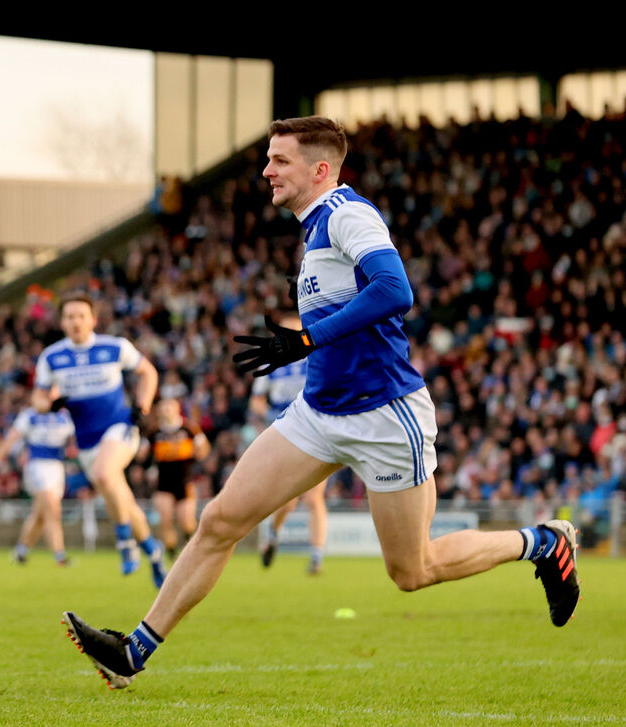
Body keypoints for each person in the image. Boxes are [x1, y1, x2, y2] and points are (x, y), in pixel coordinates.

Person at [61, 115, 581, 690]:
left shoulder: (347, 214)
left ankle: (542, 542)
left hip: (385, 414)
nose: (266, 170)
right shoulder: (313, 231)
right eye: (267, 158)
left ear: (320, 169)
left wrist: (306, 338)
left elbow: (395, 290)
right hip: (319, 413)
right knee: (219, 520)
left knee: (412, 570)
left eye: (279, 160)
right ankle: (132, 651)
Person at [32, 293, 167, 588]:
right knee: (125, 502)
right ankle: (153, 553)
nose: (76, 321)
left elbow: (148, 372)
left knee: (106, 474)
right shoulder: (52, 357)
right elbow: (38, 397)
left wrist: (143, 407)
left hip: (120, 427)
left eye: (81, 315)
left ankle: (124, 543)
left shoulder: (114, 347)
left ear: (93, 319)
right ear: (62, 322)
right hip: (86, 441)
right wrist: (49, 404)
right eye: (69, 316)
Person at [249, 314, 328, 575]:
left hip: (316, 431)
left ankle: (316, 557)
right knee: (288, 500)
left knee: (314, 497)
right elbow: (257, 401)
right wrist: (269, 415)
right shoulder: (273, 362)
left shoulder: (315, 356)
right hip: (286, 433)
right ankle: (273, 532)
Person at [0, 406, 76, 566]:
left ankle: (21, 551)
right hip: (37, 467)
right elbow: (11, 437)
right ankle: (60, 556)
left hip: (57, 468)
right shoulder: (29, 415)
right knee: (53, 510)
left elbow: (75, 438)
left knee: (40, 515)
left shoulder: (65, 415)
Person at [142, 398, 209, 562]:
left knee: (186, 521)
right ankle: (172, 554)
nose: (166, 410)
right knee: (165, 521)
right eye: (163, 407)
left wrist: (199, 456)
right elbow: (142, 454)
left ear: (177, 409)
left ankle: (191, 547)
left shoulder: (189, 428)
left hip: (185, 481)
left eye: (169, 407)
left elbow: (203, 447)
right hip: (163, 483)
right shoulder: (154, 431)